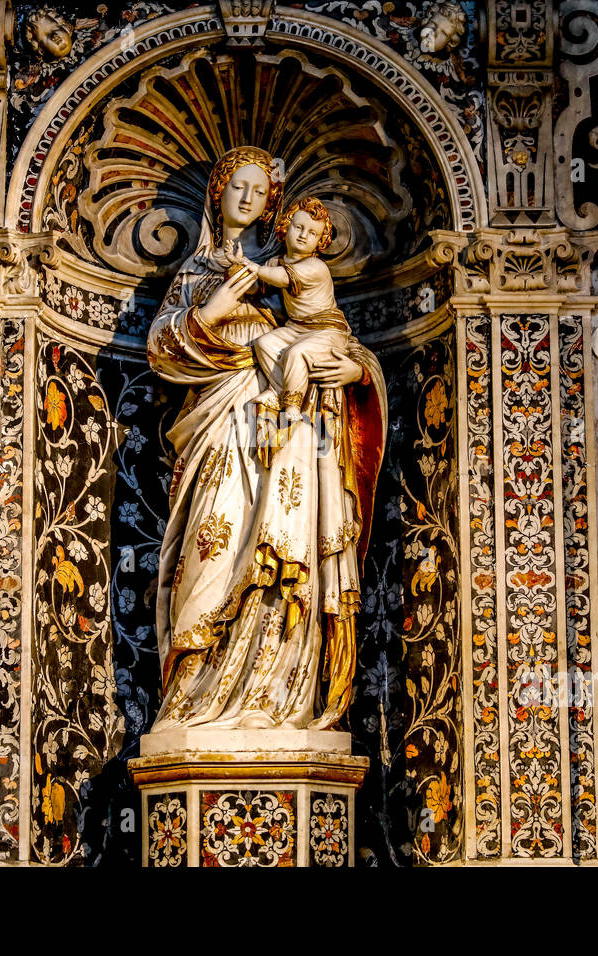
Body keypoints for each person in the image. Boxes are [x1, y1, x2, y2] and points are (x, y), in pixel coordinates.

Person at [144, 146, 386, 732]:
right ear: (218, 192)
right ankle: (195, 698)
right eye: (237, 187)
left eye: (260, 190)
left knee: (286, 548)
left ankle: (280, 697)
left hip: (291, 429)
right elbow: (159, 350)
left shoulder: (291, 271)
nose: (248, 199)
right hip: (222, 424)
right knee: (215, 545)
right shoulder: (200, 274)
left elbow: (338, 340)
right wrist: (213, 310)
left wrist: (356, 372)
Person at [227, 197, 351, 465]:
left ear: (321, 240)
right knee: (264, 345)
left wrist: (252, 267)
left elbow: (281, 278)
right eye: (299, 228)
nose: (304, 236)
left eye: (313, 233)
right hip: (297, 327)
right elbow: (255, 288)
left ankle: (292, 408)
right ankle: (279, 388)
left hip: (327, 331)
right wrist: (235, 265)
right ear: (286, 226)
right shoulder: (275, 261)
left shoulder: (315, 267)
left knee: (297, 354)